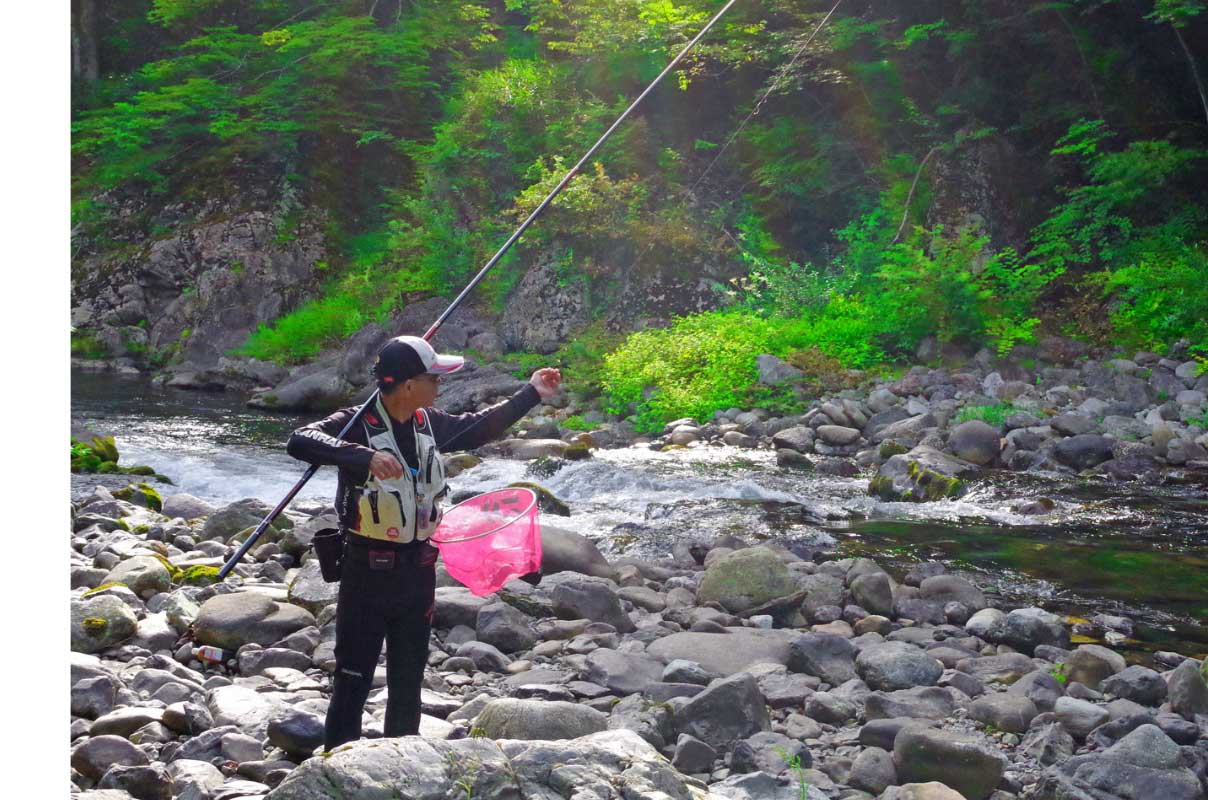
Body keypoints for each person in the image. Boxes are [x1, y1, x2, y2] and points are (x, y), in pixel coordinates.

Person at [286, 335, 561, 749]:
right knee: (352, 676)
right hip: (366, 571)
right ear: (409, 384)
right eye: (434, 377)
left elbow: (480, 426)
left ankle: (405, 760)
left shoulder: (428, 422)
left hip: (417, 572)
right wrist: (361, 456)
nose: (440, 385)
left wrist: (533, 393)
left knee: (409, 675)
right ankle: (338, 762)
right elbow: (301, 439)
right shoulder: (355, 422)